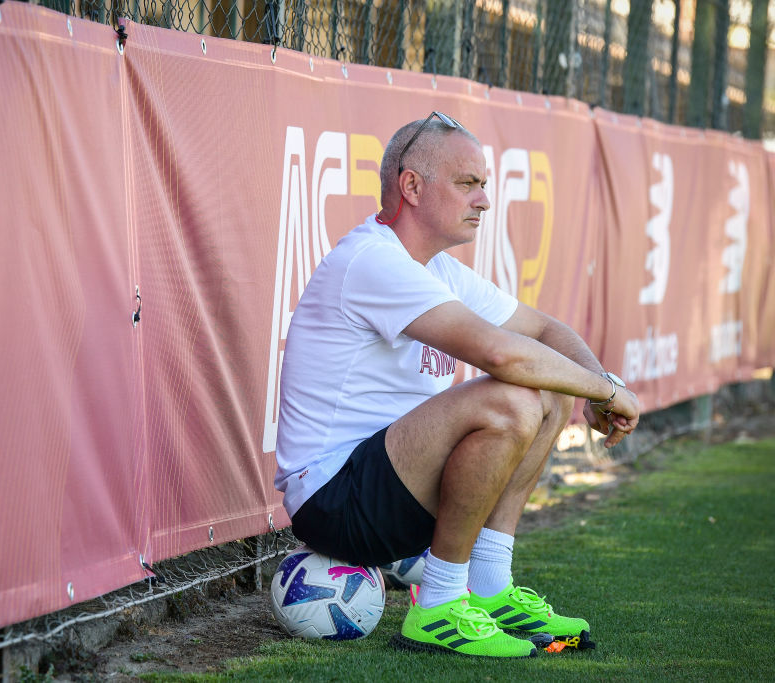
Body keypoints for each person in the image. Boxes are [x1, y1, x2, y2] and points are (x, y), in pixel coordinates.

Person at [274, 112, 640, 658]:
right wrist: (607, 394)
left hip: (394, 485)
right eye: (468, 183)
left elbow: (543, 330)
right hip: (335, 501)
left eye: (484, 185)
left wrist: (597, 383)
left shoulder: (436, 269)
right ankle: (440, 605)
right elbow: (500, 353)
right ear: (413, 187)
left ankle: (489, 590)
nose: (484, 201)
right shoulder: (372, 260)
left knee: (554, 385)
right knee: (513, 395)